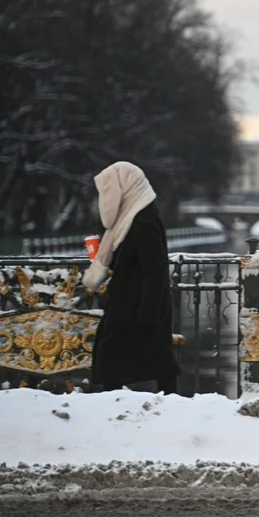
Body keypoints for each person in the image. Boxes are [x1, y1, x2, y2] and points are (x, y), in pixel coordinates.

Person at [82, 162, 180, 395]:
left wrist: (148, 311)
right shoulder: (135, 217)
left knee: (117, 354)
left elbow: (154, 269)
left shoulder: (143, 219)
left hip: (137, 303)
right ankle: (165, 400)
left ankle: (114, 399)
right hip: (133, 301)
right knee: (152, 356)